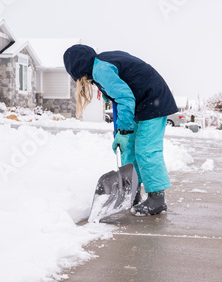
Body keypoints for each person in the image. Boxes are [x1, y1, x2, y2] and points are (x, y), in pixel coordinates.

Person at [63, 44, 178, 216]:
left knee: (146, 149)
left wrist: (123, 131)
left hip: (153, 100)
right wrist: (120, 131)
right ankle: (133, 192)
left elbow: (125, 98)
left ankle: (157, 199)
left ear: (77, 68)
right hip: (142, 102)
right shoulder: (102, 63)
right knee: (129, 149)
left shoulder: (101, 70)